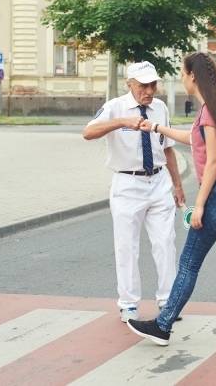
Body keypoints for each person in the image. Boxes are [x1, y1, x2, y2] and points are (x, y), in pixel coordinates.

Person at [127, 51, 216, 347]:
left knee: (189, 263)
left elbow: (214, 161)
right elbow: (196, 140)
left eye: (182, 73)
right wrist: (156, 127)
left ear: (193, 75)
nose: (181, 78)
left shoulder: (210, 110)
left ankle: (163, 324)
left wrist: (201, 205)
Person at [83, 61, 185, 323]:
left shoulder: (160, 108)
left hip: (159, 181)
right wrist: (120, 122)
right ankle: (128, 304)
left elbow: (168, 148)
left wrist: (178, 184)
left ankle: (168, 301)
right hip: (128, 184)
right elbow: (88, 132)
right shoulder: (115, 107)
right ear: (129, 85)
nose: (149, 90)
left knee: (165, 243)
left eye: (153, 84)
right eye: (143, 85)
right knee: (127, 246)